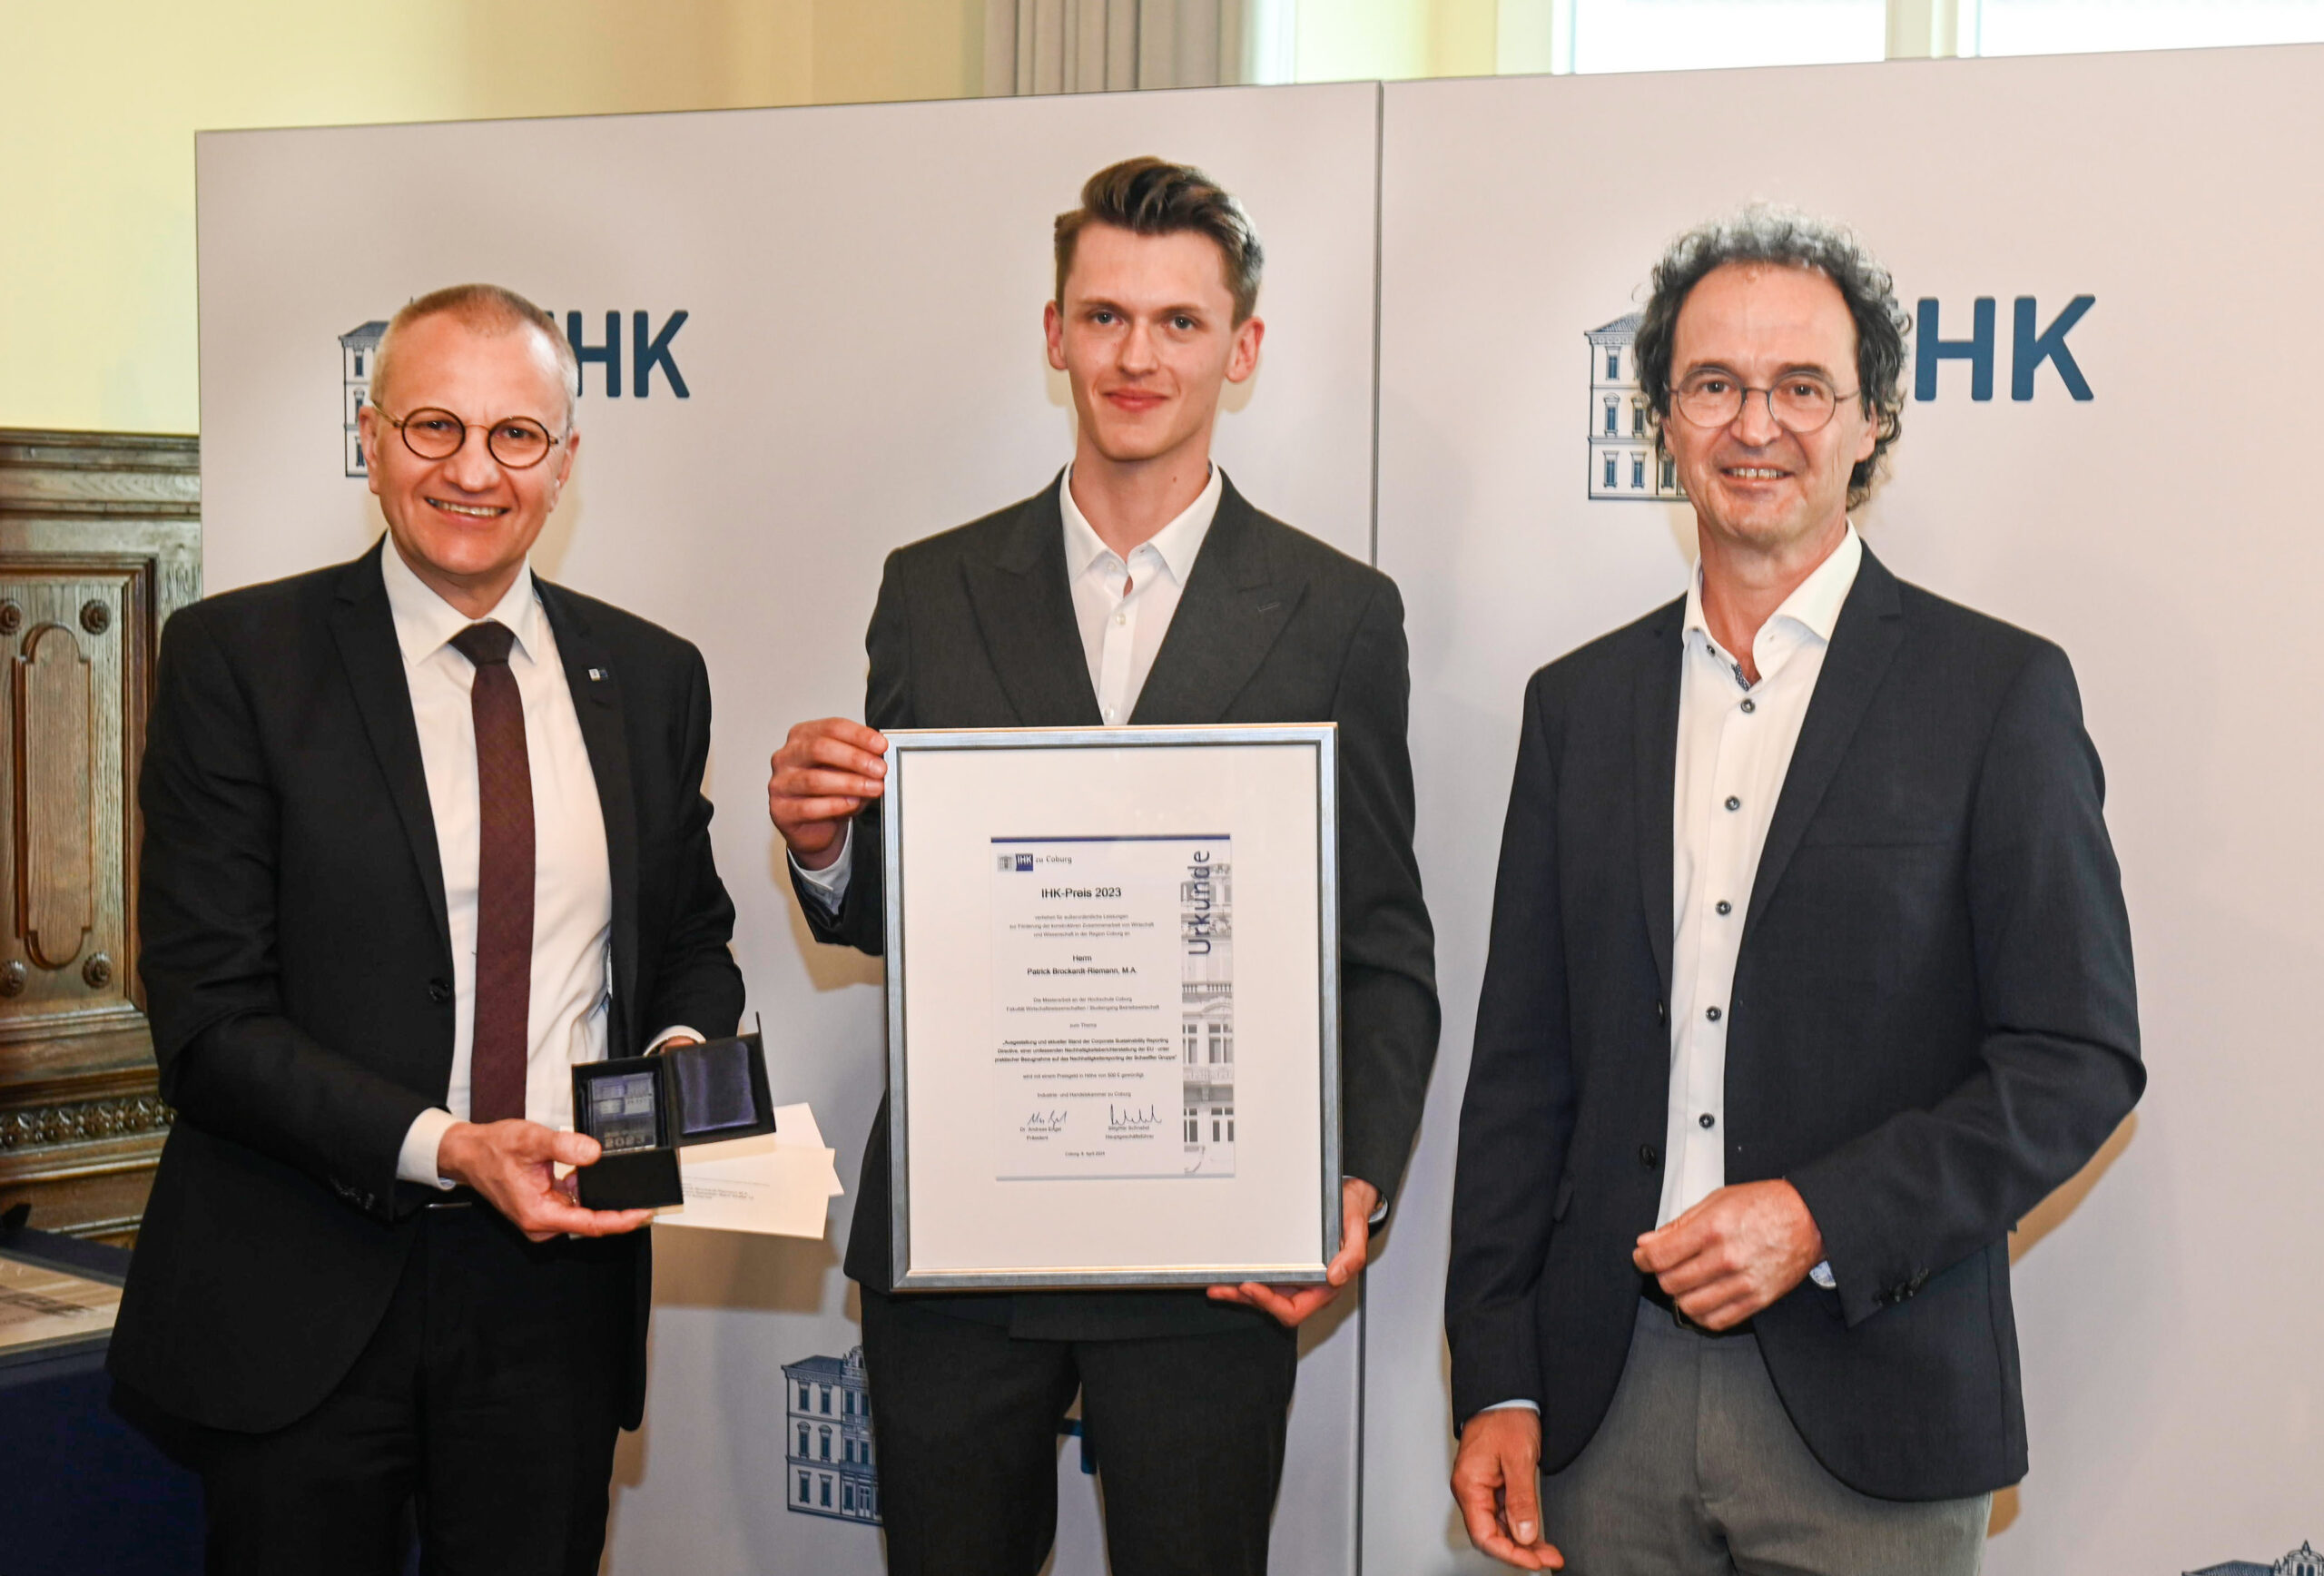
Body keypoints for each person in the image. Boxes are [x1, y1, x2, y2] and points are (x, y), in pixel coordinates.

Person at [1444, 208, 2142, 1573]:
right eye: (1714, 385)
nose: (1755, 424)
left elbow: (2076, 1059)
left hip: (1874, 1396)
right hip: (1601, 1409)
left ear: (1872, 420)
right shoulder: (1579, 707)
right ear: (1662, 418)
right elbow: (1521, 1077)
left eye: (1801, 387)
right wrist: (1500, 1380)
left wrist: (1824, 1214)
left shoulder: (1995, 694)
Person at [766, 157, 1438, 1576]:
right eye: (1107, 316)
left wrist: (1357, 1180)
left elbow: (1378, 941)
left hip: (1210, 1245)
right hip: (956, 1240)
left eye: (1180, 323)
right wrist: (828, 849)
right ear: (1054, 331)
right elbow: (928, 913)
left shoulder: (1337, 611)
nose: (1138, 356)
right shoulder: (930, 585)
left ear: (1241, 348)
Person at [110, 283, 746, 1575]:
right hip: (302, 1283)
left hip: (556, 1293)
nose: (472, 470)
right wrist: (450, 1147)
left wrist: (682, 1045)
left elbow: (690, 940)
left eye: (516, 436)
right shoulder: (239, 659)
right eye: (433, 427)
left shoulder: (654, 675)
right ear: (372, 434)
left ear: (564, 462)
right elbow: (209, 1022)